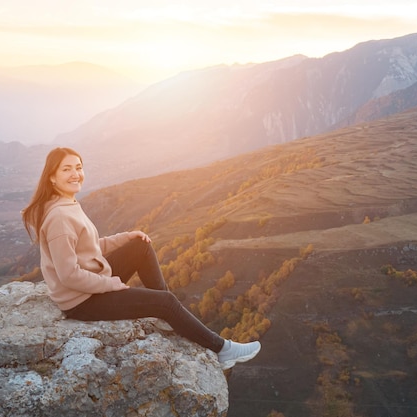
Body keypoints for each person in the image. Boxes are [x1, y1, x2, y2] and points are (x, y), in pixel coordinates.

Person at [22, 147, 260, 370]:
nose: (76, 174)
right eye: (67, 169)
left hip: (91, 283)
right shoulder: (60, 217)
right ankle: (223, 350)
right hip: (81, 301)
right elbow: (69, 275)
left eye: (79, 167)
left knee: (140, 246)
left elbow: (89, 249)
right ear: (52, 177)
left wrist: (126, 237)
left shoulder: (67, 203)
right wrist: (111, 285)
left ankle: (169, 316)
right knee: (165, 302)